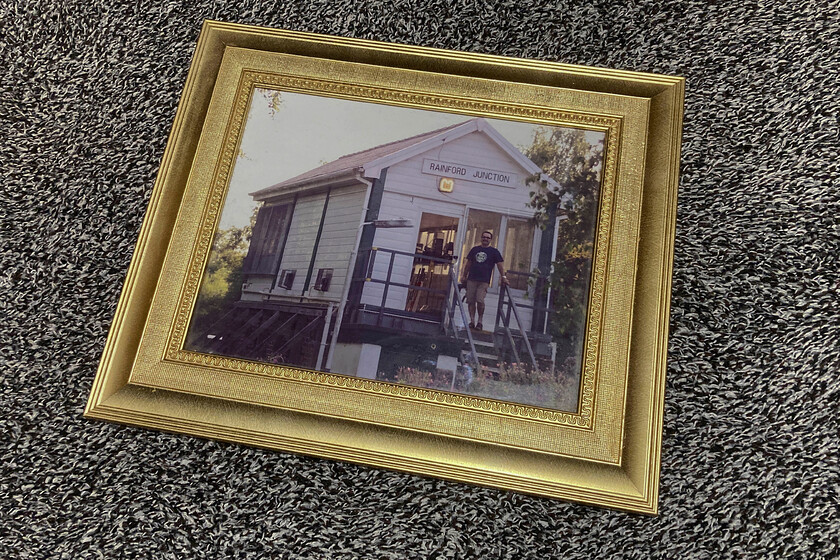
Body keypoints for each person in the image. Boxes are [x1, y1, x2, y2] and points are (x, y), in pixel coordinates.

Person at [460, 230, 508, 331]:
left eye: (488, 237)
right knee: (470, 300)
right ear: (481, 238)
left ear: (491, 240)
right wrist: (464, 275)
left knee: (480, 300)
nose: (485, 239)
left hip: (484, 281)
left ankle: (480, 321)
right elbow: (468, 263)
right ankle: (472, 321)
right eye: (484, 237)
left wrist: (503, 277)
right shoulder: (474, 250)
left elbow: (500, 265)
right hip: (472, 279)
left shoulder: (494, 252)